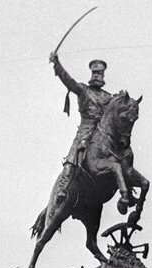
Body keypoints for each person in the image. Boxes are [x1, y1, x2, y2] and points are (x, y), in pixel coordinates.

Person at [47, 54, 112, 207]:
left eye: (100, 73)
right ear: (91, 74)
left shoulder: (108, 96)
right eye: (95, 73)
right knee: (74, 154)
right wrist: (57, 64)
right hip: (85, 131)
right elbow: (68, 81)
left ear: (103, 75)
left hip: (102, 135)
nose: (97, 75)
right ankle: (62, 187)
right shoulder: (83, 90)